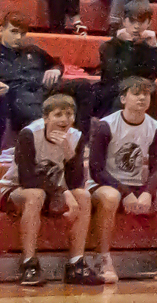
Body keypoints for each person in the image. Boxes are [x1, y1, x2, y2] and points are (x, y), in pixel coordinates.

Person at [89, 76, 157, 283]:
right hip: (106, 184)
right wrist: (125, 193)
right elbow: (96, 169)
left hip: (137, 185)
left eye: (146, 94)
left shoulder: (153, 125)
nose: (142, 98)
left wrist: (146, 193)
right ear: (123, 99)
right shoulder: (105, 126)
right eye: (136, 94)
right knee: (110, 197)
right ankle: (102, 260)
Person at [3, 92, 97, 285]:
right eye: (58, 114)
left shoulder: (75, 137)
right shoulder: (29, 133)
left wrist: (69, 156)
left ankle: (76, 263)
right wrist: (64, 193)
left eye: (69, 114)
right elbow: (27, 179)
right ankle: (29, 264)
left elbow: (76, 182)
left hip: (53, 192)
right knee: (36, 195)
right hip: (15, 189)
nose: (64, 119)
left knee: (83, 195)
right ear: (46, 118)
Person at [94, 1, 157, 128]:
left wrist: (153, 46)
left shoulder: (148, 46)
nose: (137, 26)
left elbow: (153, 74)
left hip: (138, 89)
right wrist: (127, 45)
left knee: (152, 91)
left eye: (142, 22)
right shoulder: (109, 46)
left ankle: (156, 135)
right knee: (128, 93)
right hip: (113, 91)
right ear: (124, 21)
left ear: (148, 23)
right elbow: (118, 73)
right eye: (132, 21)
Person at [0, 12, 65, 142]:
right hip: (18, 94)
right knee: (28, 101)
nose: (18, 37)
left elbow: (57, 63)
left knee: (82, 86)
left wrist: (55, 70)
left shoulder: (32, 50)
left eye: (22, 33)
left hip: (45, 89)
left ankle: (83, 140)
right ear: (1, 30)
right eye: (14, 32)